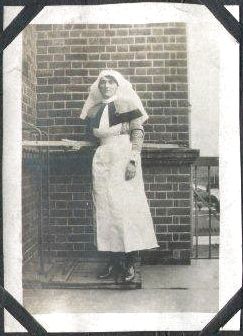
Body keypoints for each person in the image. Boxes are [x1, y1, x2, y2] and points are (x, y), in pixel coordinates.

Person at [80, 70, 158, 283]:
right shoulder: (94, 109)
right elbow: (95, 137)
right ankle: (114, 262)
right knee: (105, 210)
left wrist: (133, 159)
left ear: (118, 85)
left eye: (110, 82)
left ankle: (130, 262)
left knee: (126, 209)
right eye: (102, 83)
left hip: (124, 159)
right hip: (102, 159)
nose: (106, 86)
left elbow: (137, 133)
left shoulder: (126, 103)